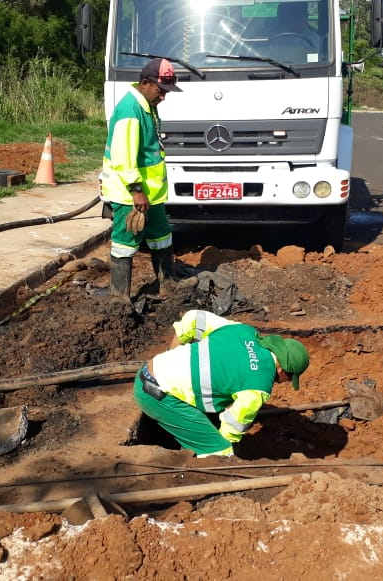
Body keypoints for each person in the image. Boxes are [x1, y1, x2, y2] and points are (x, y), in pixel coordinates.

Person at [133, 309, 311, 458]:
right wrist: (230, 448)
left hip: (149, 370)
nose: (284, 383)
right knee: (220, 452)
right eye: (290, 379)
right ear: (282, 371)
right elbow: (232, 429)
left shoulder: (243, 331)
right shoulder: (259, 386)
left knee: (220, 402)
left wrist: (172, 354)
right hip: (157, 396)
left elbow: (193, 319)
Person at [100, 58, 182, 300]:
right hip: (131, 195)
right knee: (125, 242)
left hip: (151, 195)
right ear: (146, 83)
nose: (164, 97)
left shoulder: (147, 105)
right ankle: (120, 296)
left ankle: (168, 283)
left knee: (161, 236)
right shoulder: (130, 111)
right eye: (161, 90)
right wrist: (136, 191)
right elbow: (123, 157)